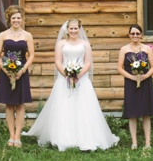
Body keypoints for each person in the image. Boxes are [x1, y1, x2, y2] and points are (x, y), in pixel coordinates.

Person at [23, 19, 119, 151]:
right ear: (67, 30)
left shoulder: (85, 44)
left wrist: (78, 75)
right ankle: (62, 137)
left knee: (83, 107)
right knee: (64, 106)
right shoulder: (61, 44)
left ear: (80, 29)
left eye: (76, 28)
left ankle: (85, 137)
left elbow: (88, 63)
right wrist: (67, 75)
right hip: (64, 79)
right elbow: (57, 61)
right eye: (71, 29)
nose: (73, 31)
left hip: (82, 80)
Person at [0, 5, 34, 148]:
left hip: (21, 72)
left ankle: (18, 136)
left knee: (20, 104)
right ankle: (11, 135)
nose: (16, 20)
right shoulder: (3, 35)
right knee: (10, 104)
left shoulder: (27, 35)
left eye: (18, 18)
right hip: (6, 72)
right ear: (9, 19)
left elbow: (31, 55)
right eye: (13, 18)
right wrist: (6, 69)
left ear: (22, 19)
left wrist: (22, 70)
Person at [117, 24, 153, 149]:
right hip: (130, 82)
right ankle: (134, 142)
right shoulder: (124, 49)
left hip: (145, 82)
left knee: (145, 113)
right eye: (132, 33)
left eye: (137, 33)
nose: (135, 36)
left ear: (141, 35)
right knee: (132, 113)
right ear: (129, 35)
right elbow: (119, 68)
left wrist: (146, 76)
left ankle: (147, 142)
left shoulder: (146, 49)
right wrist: (131, 77)